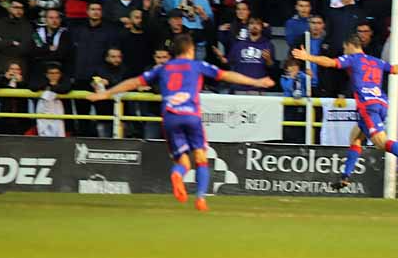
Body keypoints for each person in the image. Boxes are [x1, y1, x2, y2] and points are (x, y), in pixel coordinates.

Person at [89, 32, 271, 210]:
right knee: (200, 159)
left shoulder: (163, 68)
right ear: (190, 49)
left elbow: (134, 82)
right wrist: (256, 82)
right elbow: (226, 75)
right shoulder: (197, 65)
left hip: (170, 116)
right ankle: (200, 198)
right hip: (191, 116)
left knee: (183, 162)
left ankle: (177, 174)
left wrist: (106, 93)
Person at [292, 35, 398, 189]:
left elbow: (330, 62)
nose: (344, 51)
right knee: (355, 137)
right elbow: (395, 69)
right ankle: (345, 177)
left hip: (367, 105)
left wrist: (308, 57)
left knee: (381, 143)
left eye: (344, 48)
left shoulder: (353, 59)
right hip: (381, 103)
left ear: (350, 45)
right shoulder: (376, 61)